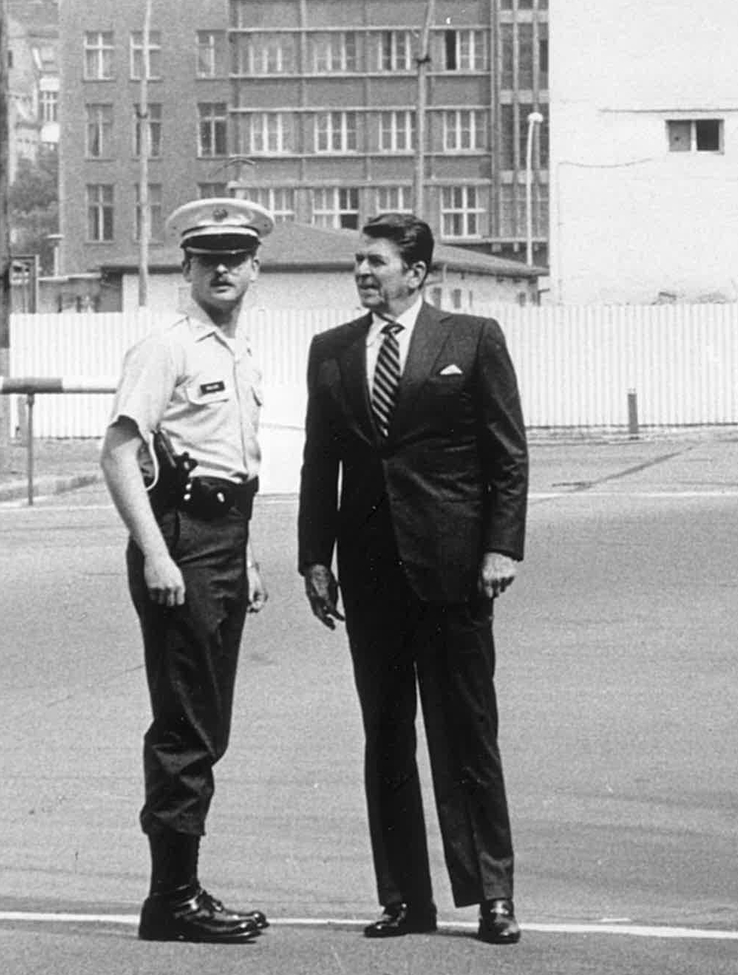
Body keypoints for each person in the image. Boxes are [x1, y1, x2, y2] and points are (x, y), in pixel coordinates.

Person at [296, 212, 529, 946]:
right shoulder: (331, 352)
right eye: (358, 263)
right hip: (370, 577)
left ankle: (492, 894)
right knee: (386, 737)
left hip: (455, 570)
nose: (363, 272)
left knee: (467, 735)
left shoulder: (472, 341)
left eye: (377, 262)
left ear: (418, 274)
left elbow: (508, 457)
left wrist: (501, 549)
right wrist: (315, 558)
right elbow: (318, 464)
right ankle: (404, 899)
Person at [100, 197, 275, 944]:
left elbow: (233, 465)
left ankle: (180, 889)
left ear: (255, 269)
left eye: (237, 258)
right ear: (188, 270)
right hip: (180, 540)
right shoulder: (165, 346)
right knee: (185, 724)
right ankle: (171, 899)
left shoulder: (237, 353)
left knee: (205, 720)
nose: (225, 270)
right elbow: (117, 453)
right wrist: (159, 554)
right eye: (210, 260)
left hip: (222, 539)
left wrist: (247, 554)